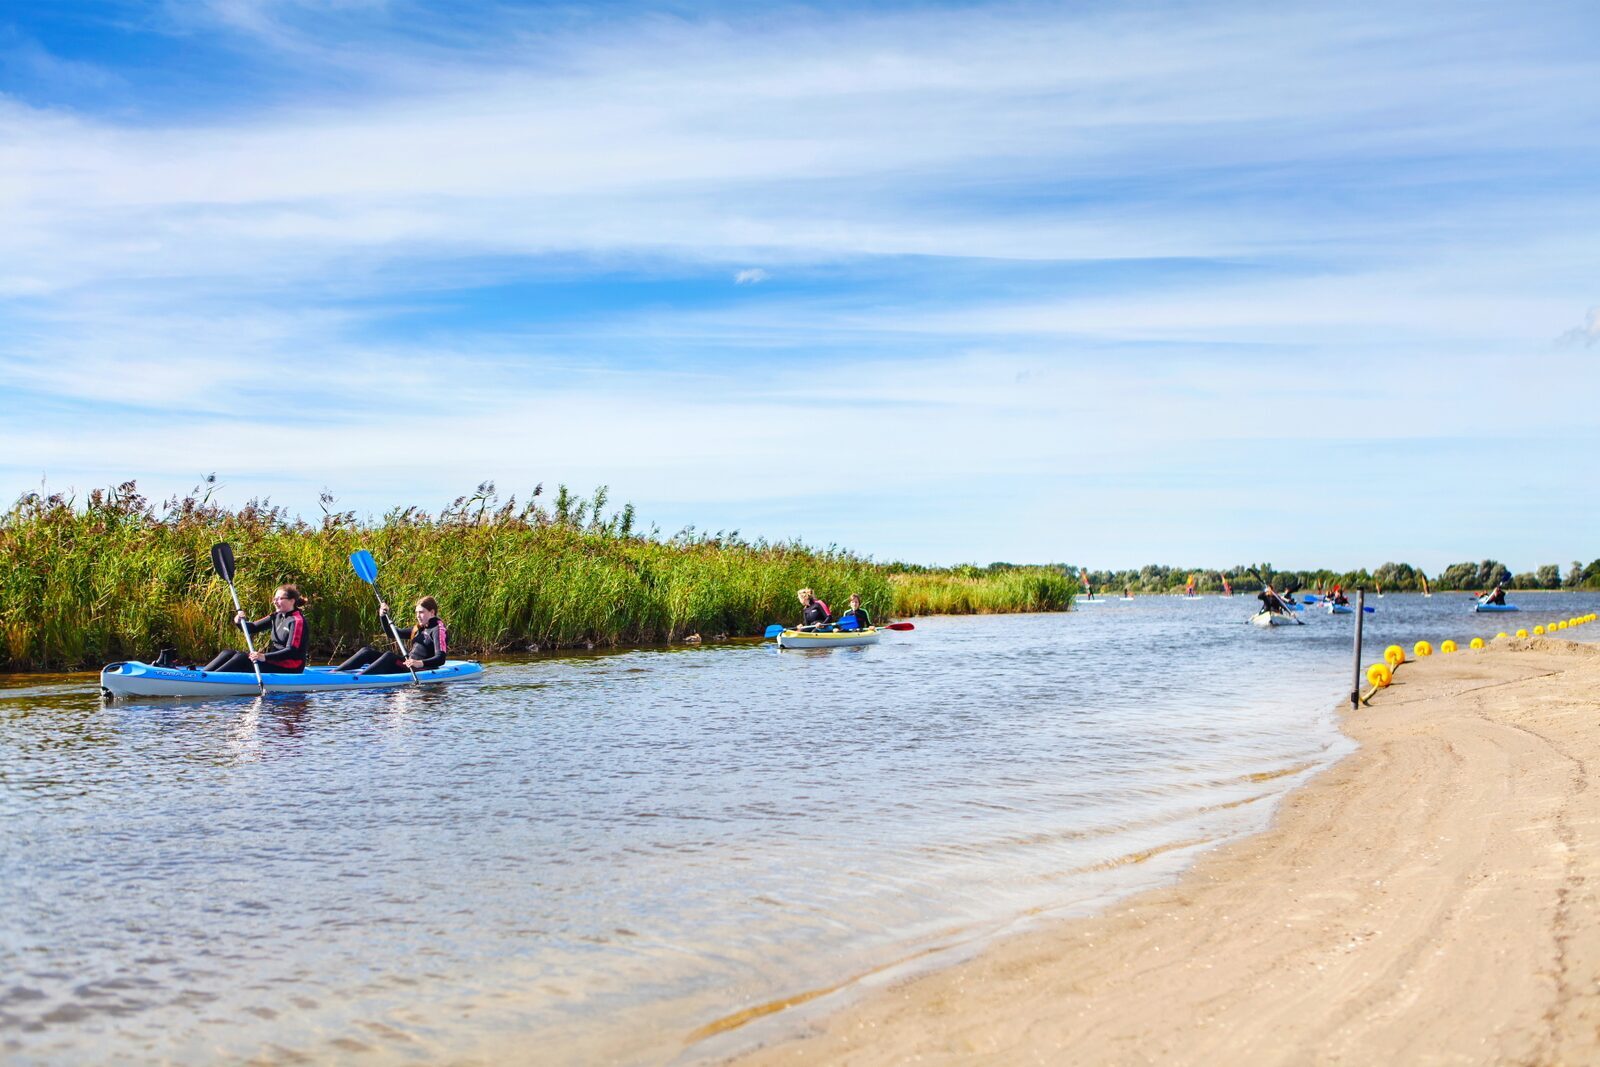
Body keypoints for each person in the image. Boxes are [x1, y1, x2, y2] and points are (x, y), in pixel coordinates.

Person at [200, 585, 308, 673]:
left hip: (291, 666)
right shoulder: (276, 616)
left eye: (279, 599)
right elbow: (252, 628)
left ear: (292, 601)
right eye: (274, 599)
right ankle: (203, 675)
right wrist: (239, 621)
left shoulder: (297, 621)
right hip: (274, 661)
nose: (275, 602)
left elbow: (291, 651)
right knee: (227, 653)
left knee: (242, 658)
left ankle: (207, 681)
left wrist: (264, 657)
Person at [337, 596, 449, 674]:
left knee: (389, 656)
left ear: (432, 612)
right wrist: (383, 616)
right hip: (407, 664)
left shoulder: (438, 629)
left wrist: (420, 663)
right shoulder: (419, 627)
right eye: (416, 613)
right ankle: (334, 674)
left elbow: (441, 658)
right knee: (366, 652)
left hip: (421, 669)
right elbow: (392, 633)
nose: (418, 616)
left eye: (421, 612)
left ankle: (358, 679)